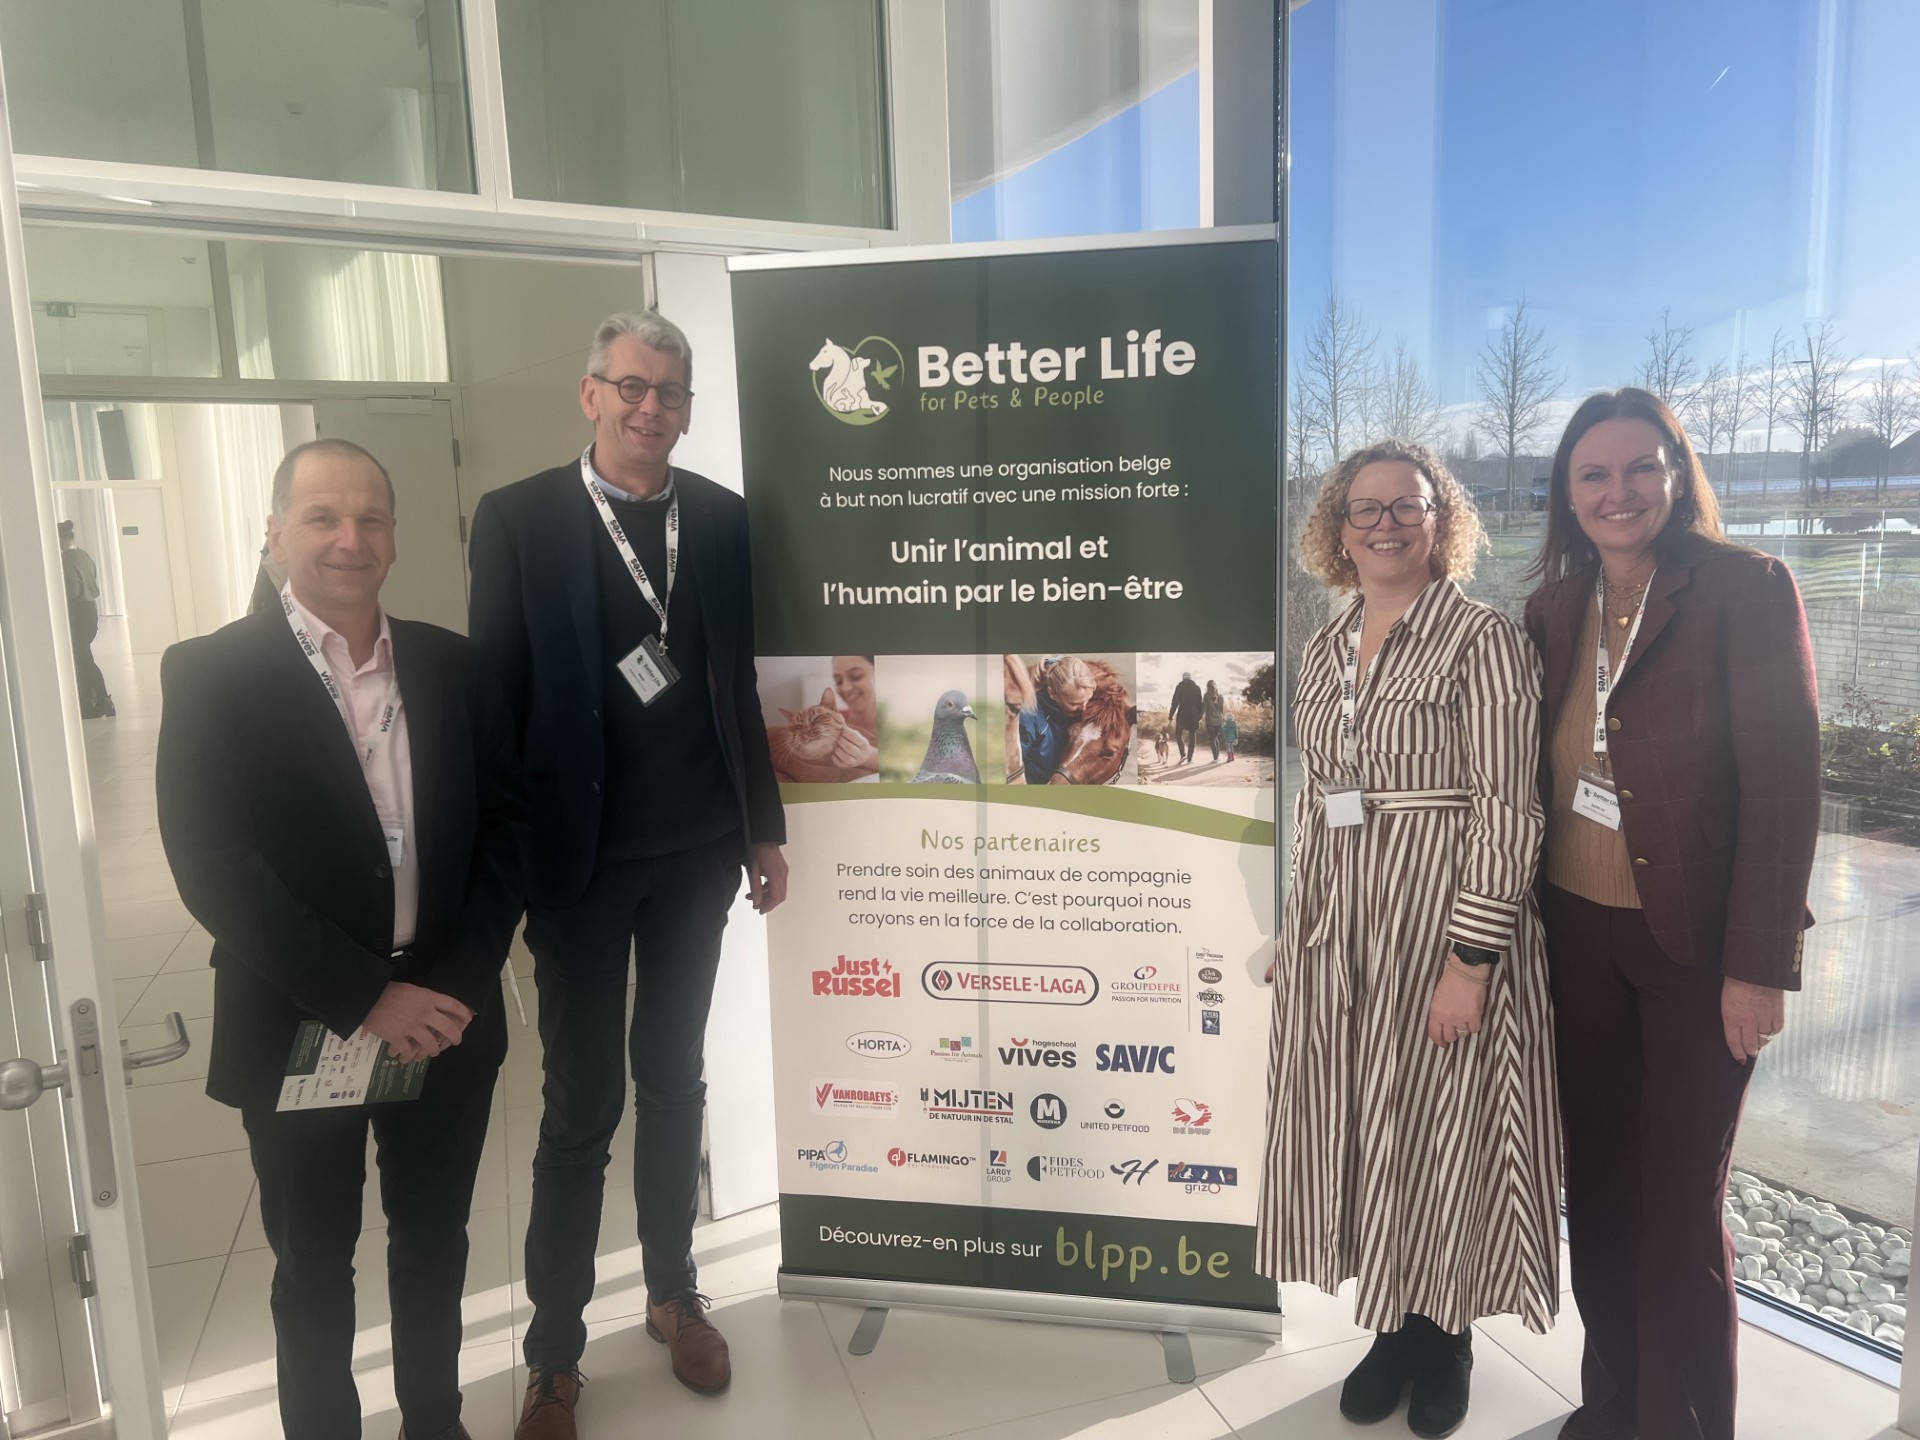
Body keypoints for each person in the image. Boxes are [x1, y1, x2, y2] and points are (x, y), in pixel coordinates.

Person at [156, 439, 529, 1440]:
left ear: (396, 538)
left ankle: (434, 1423)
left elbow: (510, 829)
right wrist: (367, 997)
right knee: (315, 1264)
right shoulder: (211, 674)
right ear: (275, 534)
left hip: (445, 1015)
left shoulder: (452, 665)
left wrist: (458, 981)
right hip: (301, 1019)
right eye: (322, 517)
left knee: (434, 1245)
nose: (349, 539)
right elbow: (213, 865)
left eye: (370, 518)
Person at [467, 310, 788, 1440]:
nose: (652, 408)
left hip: (697, 854)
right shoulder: (519, 520)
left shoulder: (723, 519)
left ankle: (671, 1293)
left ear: (690, 408)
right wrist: (503, 863)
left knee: (674, 1081)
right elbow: (495, 708)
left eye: (671, 392)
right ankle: (554, 1355)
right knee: (579, 1108)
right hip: (580, 865)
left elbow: (735, 683)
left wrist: (761, 829)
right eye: (632, 386)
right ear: (592, 394)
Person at [1523, 389, 1819, 1440]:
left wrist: (1760, 965)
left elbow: (1784, 789)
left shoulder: (1745, 589)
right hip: (1574, 936)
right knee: (1601, 1190)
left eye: (1641, 467)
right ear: (1568, 494)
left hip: (1696, 949)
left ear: (1677, 475)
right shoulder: (1555, 608)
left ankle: (1682, 1427)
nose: (1620, 491)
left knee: (1679, 1204)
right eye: (1594, 474)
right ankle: (1614, 1408)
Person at [1258, 439, 1560, 1440]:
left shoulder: (1483, 640)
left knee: (1443, 1132)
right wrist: (1300, 925)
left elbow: (1510, 810)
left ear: (1442, 519)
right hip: (1346, 935)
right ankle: (1390, 1326)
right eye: (1366, 508)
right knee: (1367, 1127)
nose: (1385, 523)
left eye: (1407, 505)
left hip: (1440, 928)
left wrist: (1471, 960)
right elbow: (1319, 802)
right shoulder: (1323, 645)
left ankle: (1447, 1336)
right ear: (1338, 530)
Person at [1004, 653, 1096, 783]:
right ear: (1052, 693)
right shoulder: (1028, 720)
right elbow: (1012, 767)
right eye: (1074, 704)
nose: (1084, 708)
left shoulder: (1085, 708)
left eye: (1087, 699)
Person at [58, 520, 113, 717]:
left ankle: (102, 700)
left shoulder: (67, 560)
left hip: (78, 613)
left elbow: (72, 589)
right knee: (84, 657)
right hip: (90, 611)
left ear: (61, 539)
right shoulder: (84, 555)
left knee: (83, 659)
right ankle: (93, 702)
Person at [1169, 669, 1203, 763]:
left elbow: (1175, 702)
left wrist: (1171, 715)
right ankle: (1189, 758)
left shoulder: (1179, 687)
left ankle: (1183, 754)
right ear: (1190, 678)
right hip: (1194, 715)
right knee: (1192, 735)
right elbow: (1200, 703)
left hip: (1182, 714)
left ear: (1183, 678)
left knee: (1178, 734)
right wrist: (1199, 716)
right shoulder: (1197, 688)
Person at [1203, 678, 1225, 762]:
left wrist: (1199, 717)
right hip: (1219, 720)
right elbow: (1222, 709)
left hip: (1210, 720)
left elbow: (1204, 708)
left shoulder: (1206, 696)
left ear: (1207, 687)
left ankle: (1215, 758)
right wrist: (1224, 719)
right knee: (1216, 738)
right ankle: (1217, 757)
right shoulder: (1221, 696)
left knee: (1212, 739)